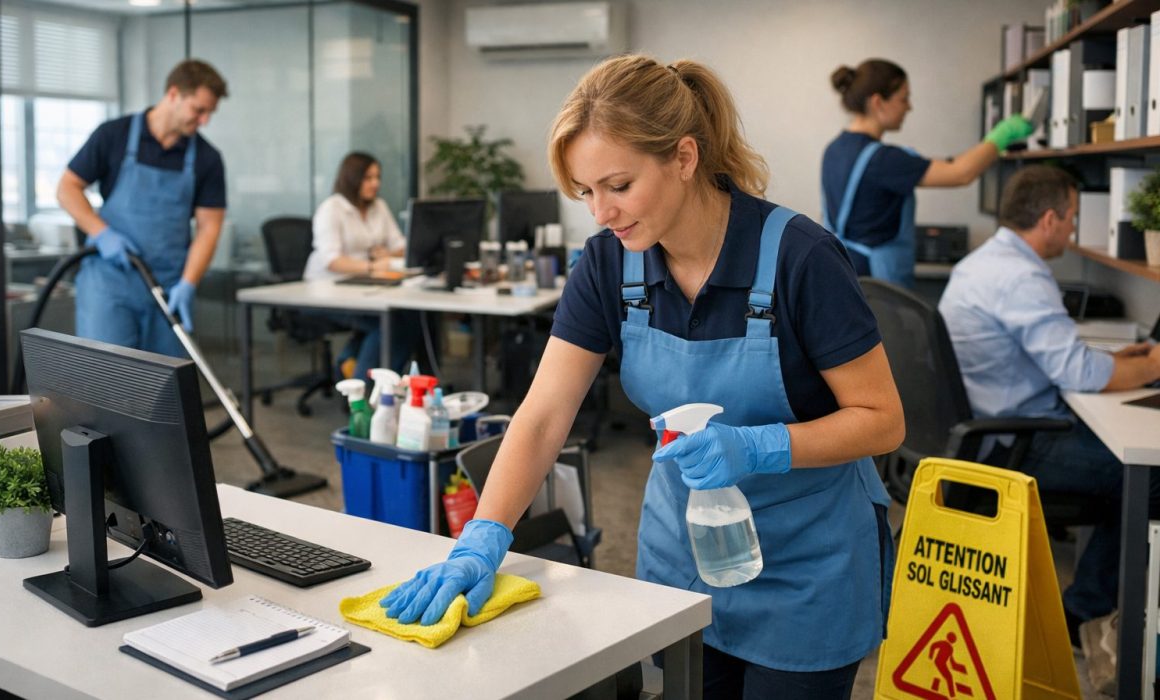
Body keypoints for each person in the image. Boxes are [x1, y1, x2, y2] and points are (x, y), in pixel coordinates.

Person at [379, 55, 905, 699]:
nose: (601, 211)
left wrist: (760, 446)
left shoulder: (801, 258)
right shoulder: (608, 263)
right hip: (683, 558)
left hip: (806, 567)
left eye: (618, 185)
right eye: (585, 192)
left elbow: (883, 421)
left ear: (684, 158)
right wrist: (482, 536)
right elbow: (544, 414)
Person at [938, 164, 1160, 643]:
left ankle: (1095, 602)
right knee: (1152, 477)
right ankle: (1082, 615)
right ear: (1050, 219)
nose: (1074, 227)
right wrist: (1153, 365)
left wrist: (1118, 358)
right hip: (1018, 440)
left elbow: (1059, 357)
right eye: (1073, 216)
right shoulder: (1020, 277)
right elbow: (1077, 374)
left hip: (995, 425)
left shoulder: (985, 262)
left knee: (1128, 475)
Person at [57, 59, 228, 357]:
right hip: (109, 284)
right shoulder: (114, 136)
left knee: (165, 389)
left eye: (209, 113)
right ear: (173, 94)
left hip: (166, 289)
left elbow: (209, 227)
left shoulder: (207, 158)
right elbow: (67, 188)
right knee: (108, 380)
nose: (204, 121)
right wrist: (102, 233)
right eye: (199, 110)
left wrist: (189, 283)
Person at [821, 58, 1035, 288]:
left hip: (843, 272)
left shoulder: (836, 149)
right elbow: (961, 173)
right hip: (875, 283)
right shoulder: (884, 159)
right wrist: (1003, 135)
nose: (909, 107)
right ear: (877, 102)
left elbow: (945, 166)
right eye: (903, 99)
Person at [304, 152, 412, 379]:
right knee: (388, 323)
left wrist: (388, 253)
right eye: (368, 178)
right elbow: (332, 260)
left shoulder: (378, 207)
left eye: (377, 177)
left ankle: (353, 363)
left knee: (409, 318)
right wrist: (372, 267)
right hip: (324, 292)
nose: (376, 184)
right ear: (352, 179)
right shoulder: (331, 209)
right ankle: (362, 388)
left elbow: (402, 245)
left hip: (361, 289)